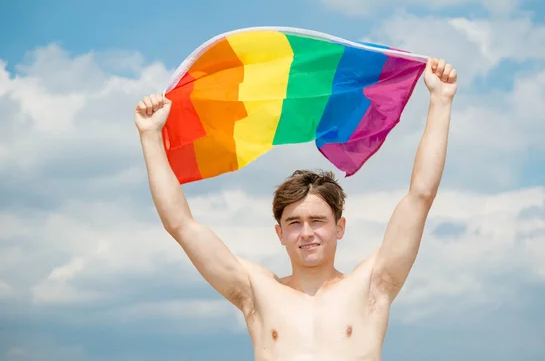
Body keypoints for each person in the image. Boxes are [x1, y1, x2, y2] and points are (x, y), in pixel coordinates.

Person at [134, 56, 457, 360]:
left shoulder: (372, 286)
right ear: (280, 233)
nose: (306, 233)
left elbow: (420, 196)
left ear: (339, 227)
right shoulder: (257, 292)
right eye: (294, 223)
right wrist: (150, 136)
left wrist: (440, 101)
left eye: (317, 220)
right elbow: (180, 224)